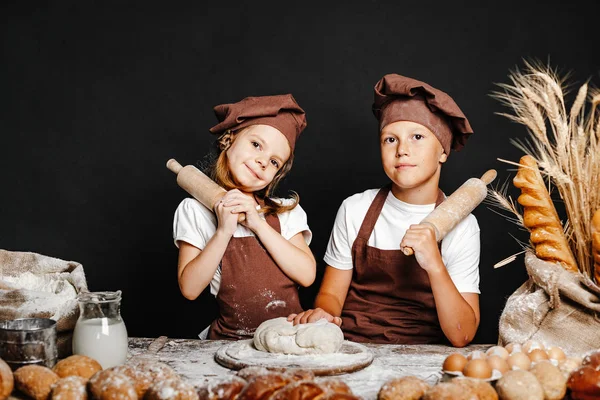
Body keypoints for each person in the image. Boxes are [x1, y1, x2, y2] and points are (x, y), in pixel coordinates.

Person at [289, 74, 480, 347]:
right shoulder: (355, 209)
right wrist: (325, 315)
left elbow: (462, 334)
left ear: (443, 151)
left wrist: (434, 264)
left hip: (425, 356)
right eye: (390, 139)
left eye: (417, 137)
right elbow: (331, 295)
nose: (402, 150)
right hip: (354, 348)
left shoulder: (463, 226)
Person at [173, 94, 316, 340]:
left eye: (273, 161)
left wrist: (258, 224)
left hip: (290, 339)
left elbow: (307, 275)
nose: (262, 161)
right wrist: (223, 231)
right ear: (229, 140)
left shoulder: (285, 211)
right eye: (256, 144)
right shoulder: (194, 210)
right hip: (230, 340)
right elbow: (190, 289)